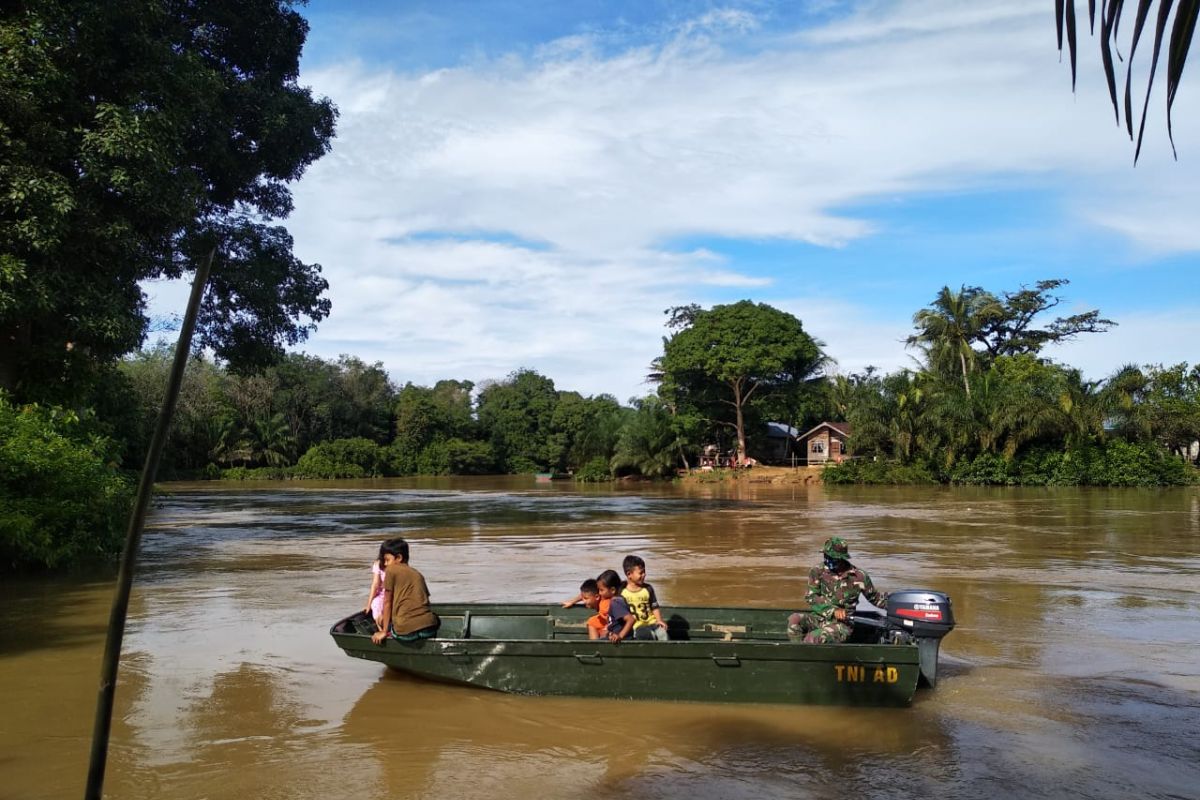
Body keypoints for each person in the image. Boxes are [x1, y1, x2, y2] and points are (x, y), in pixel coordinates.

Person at [788, 536, 887, 644]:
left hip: (843, 625)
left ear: (841, 558)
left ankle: (805, 654)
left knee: (813, 638)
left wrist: (894, 605)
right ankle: (798, 653)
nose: (827, 560)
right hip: (819, 618)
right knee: (794, 619)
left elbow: (875, 598)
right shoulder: (817, 571)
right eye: (825, 556)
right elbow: (811, 597)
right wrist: (833, 611)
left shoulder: (859, 576)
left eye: (831, 558)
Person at [371, 537, 439, 645]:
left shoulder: (391, 570)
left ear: (398, 558)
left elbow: (387, 602)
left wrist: (384, 631)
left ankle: (389, 633)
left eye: (387, 560)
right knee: (434, 618)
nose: (385, 564)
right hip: (429, 629)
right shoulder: (417, 574)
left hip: (407, 634)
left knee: (382, 620)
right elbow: (425, 601)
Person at [620, 555, 668, 641]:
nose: (644, 575)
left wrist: (659, 620)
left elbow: (654, 607)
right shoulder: (622, 592)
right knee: (645, 635)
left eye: (644, 572)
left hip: (651, 623)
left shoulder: (648, 588)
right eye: (641, 573)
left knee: (663, 634)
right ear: (629, 574)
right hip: (636, 626)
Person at [363, 541, 388, 629]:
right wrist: (368, 605)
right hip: (382, 595)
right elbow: (375, 585)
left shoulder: (396, 566)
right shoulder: (378, 564)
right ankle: (381, 629)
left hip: (394, 595)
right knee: (376, 605)